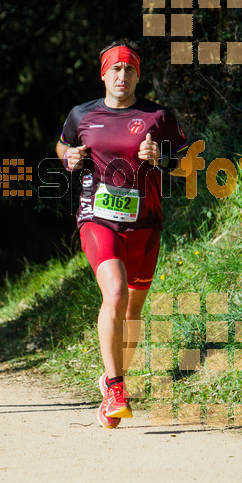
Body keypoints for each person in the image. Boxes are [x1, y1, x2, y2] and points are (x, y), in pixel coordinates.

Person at [56, 39, 188, 429]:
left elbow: (184, 159)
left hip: (145, 224)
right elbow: (64, 144)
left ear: (138, 75)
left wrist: (160, 158)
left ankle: (113, 383)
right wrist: (68, 157)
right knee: (113, 293)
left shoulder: (157, 116)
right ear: (103, 73)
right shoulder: (82, 115)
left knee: (133, 310)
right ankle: (115, 388)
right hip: (97, 218)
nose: (122, 75)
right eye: (115, 68)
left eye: (129, 69)